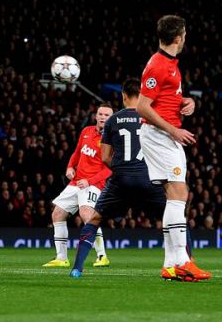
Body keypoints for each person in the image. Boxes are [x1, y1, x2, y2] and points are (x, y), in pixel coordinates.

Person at [69, 79, 174, 277]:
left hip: (121, 180)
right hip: (148, 178)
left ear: (123, 95)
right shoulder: (153, 118)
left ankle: (77, 268)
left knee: (94, 219)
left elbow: (105, 157)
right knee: (173, 218)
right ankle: (183, 263)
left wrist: (121, 168)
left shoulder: (112, 120)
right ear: (142, 94)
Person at [136, 15, 211, 282]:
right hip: (160, 135)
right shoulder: (158, 65)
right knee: (180, 191)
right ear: (178, 37)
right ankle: (182, 260)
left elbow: (162, 100)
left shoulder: (168, 64)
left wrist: (183, 102)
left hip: (162, 133)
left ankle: (170, 264)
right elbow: (142, 107)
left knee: (174, 194)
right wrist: (174, 129)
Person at [43, 103, 113, 269]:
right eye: (101, 114)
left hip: (93, 183)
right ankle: (61, 258)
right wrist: (69, 167)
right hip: (76, 182)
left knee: (87, 214)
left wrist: (90, 181)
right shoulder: (86, 131)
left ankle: (102, 255)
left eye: (107, 115)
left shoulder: (111, 138)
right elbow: (77, 152)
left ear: (112, 119)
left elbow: (111, 169)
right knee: (57, 213)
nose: (103, 117)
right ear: (96, 116)